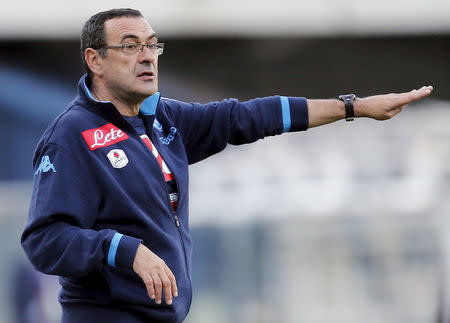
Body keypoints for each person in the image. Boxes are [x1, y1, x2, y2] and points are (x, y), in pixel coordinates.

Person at [20, 7, 433, 323]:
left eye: (152, 45)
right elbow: (44, 240)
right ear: (95, 60)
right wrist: (123, 250)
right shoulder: (72, 135)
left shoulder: (164, 119)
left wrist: (353, 107)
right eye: (130, 46)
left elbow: (250, 117)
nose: (147, 57)